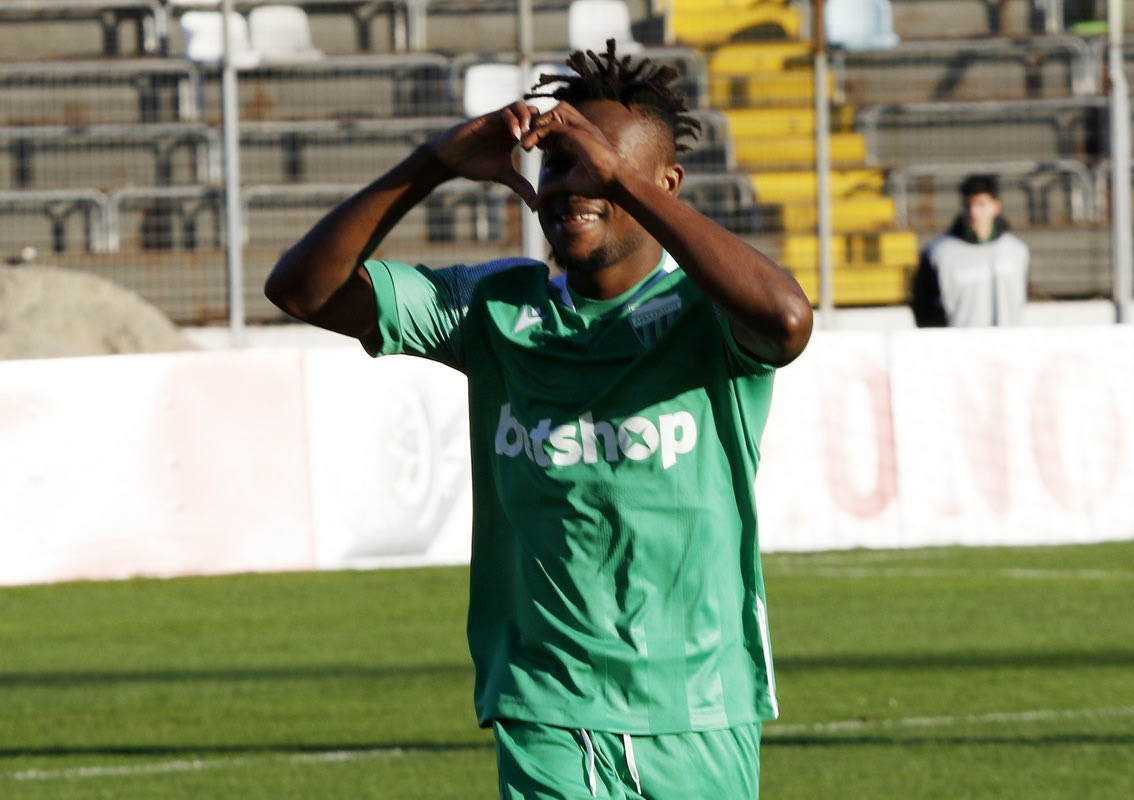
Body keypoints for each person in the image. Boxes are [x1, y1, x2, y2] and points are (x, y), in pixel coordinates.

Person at [265, 40, 812, 799]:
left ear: (664, 184)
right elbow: (304, 290)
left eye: (596, 167)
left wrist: (621, 179)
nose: (571, 186)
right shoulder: (494, 306)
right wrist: (431, 163)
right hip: (548, 704)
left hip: (700, 706)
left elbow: (787, 320)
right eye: (558, 165)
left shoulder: (707, 311)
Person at [910, 173, 1030, 327]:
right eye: (968, 205)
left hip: (1007, 340)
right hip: (958, 341)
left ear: (996, 206)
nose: (973, 212)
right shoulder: (938, 253)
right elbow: (923, 307)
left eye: (981, 204)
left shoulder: (1016, 250)